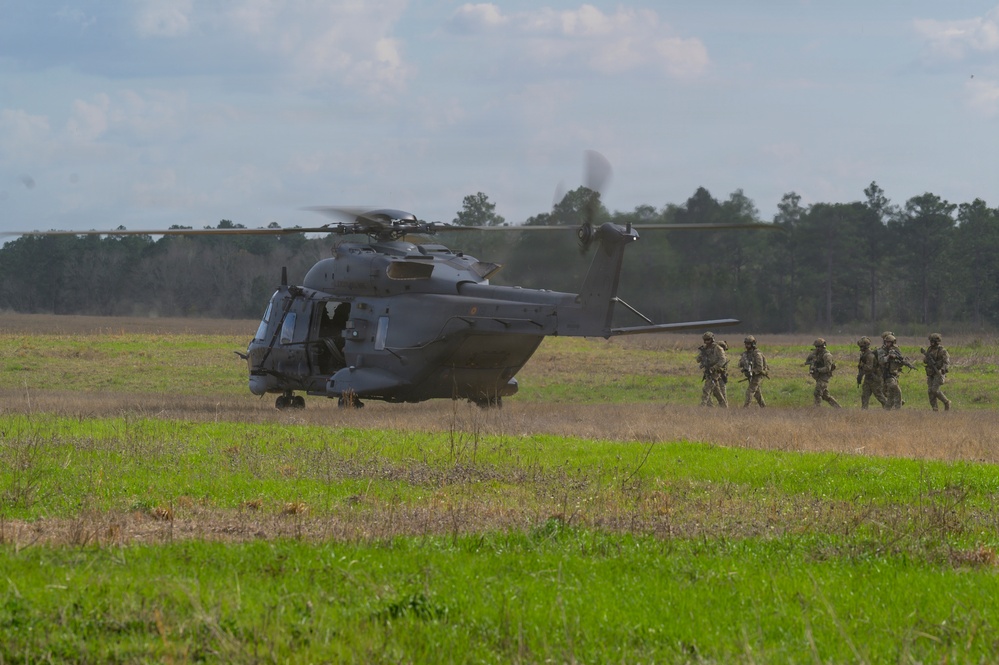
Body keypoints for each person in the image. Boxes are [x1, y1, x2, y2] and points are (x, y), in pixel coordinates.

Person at [877, 333, 916, 409]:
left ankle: (887, 410)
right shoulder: (881, 351)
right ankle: (898, 409)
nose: (888, 344)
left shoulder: (896, 350)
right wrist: (888, 356)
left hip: (894, 374)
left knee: (891, 395)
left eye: (889, 342)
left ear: (893, 342)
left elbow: (901, 359)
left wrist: (907, 364)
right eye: (886, 342)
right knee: (896, 390)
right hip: (886, 374)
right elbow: (881, 361)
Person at [805, 338, 840, 407]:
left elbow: (828, 368)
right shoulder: (816, 354)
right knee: (825, 396)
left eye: (819, 347)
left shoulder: (827, 355)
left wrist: (818, 370)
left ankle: (817, 410)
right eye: (816, 347)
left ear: (823, 346)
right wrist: (812, 361)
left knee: (817, 393)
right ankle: (838, 408)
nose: (817, 348)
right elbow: (807, 361)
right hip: (818, 376)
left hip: (824, 376)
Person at [696, 331, 728, 407]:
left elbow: (723, 360)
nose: (707, 342)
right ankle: (724, 406)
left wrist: (714, 368)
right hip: (708, 371)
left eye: (708, 340)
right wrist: (701, 356)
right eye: (705, 340)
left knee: (706, 390)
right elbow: (698, 359)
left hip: (715, 372)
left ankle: (702, 406)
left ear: (712, 339)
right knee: (716, 391)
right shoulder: (705, 348)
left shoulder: (717, 348)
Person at [922, 332, 951, 411]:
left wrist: (943, 369)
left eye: (933, 341)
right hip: (930, 372)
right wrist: (927, 359)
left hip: (938, 372)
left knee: (935, 390)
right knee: (930, 391)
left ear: (937, 342)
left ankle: (946, 402)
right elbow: (925, 360)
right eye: (930, 341)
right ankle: (935, 409)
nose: (931, 343)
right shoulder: (929, 349)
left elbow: (947, 362)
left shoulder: (942, 351)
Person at [856, 336, 887, 409]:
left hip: (875, 378)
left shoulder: (870, 355)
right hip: (868, 378)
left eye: (862, 346)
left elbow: (869, 367)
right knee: (864, 395)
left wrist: (862, 366)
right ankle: (864, 410)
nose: (860, 347)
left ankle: (888, 408)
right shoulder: (864, 354)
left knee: (879, 396)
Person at [738, 335, 768, 407]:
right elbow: (740, 364)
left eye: (748, 344)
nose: (747, 346)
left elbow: (759, 368)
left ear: (753, 344)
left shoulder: (757, 354)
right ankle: (763, 407)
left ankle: (746, 408)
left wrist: (752, 371)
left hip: (758, 375)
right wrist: (744, 365)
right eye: (746, 344)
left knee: (750, 391)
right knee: (757, 393)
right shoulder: (745, 354)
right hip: (750, 374)